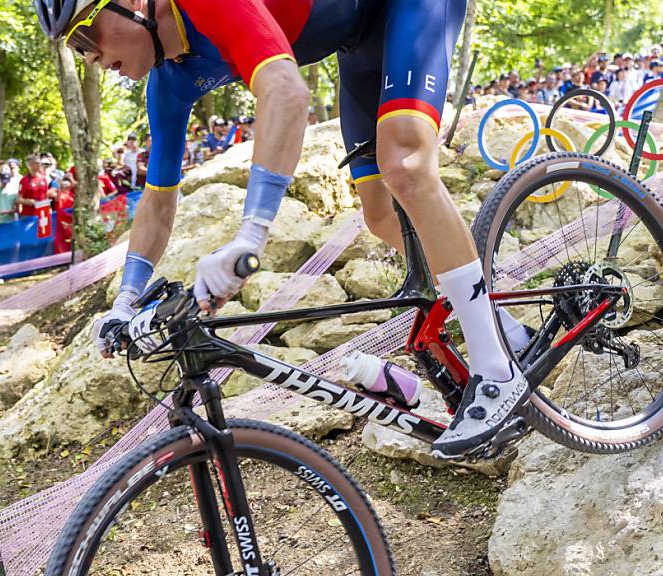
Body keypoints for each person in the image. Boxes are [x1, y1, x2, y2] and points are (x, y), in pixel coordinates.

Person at [39, 0, 530, 458]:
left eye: (85, 36)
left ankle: (497, 371)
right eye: (77, 50)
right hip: (358, 38)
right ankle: (504, 326)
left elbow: (287, 90)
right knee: (380, 213)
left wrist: (250, 239)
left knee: (405, 164)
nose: (91, 58)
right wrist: (125, 299)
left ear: (133, 3)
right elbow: (157, 200)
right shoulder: (168, 82)